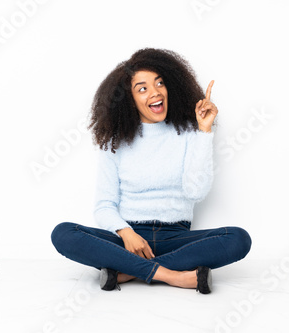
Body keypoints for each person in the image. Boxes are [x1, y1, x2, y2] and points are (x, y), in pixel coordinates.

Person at [51, 48, 252, 294]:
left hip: (176, 238)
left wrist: (203, 131)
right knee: (63, 234)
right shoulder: (115, 142)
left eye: (159, 83)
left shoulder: (190, 132)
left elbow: (196, 191)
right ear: (129, 98)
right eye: (142, 88)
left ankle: (126, 272)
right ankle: (173, 276)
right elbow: (104, 206)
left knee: (238, 239)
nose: (155, 92)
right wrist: (126, 233)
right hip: (128, 239)